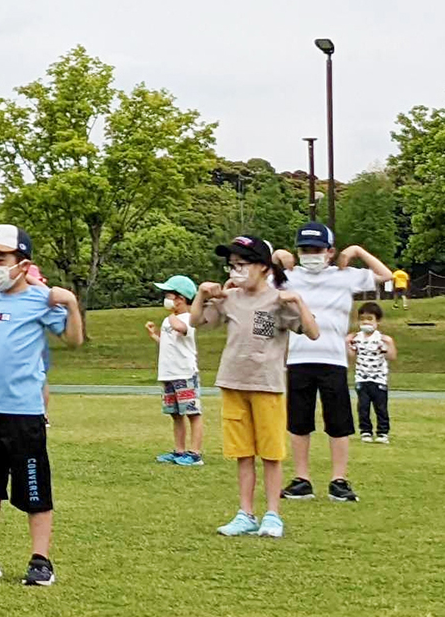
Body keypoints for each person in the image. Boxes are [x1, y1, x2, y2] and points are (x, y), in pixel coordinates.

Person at [0, 225, 83, 587]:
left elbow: (73, 339)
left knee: (34, 487)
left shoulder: (41, 299)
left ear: (23, 264)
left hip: (24, 411)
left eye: (1, 259)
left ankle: (41, 559)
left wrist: (70, 303)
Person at [192, 236, 317, 538]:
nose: (235, 271)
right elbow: (197, 321)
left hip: (267, 385)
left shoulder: (277, 300)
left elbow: (312, 332)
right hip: (233, 382)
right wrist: (202, 294)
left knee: (271, 453)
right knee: (243, 453)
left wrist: (298, 301)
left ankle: (273, 514)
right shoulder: (229, 298)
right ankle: (245, 513)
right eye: (232, 265)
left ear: (262, 267)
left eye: (242, 265)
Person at [279, 224, 389, 505]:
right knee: (299, 422)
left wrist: (358, 251)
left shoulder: (345, 277)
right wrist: (277, 257)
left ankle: (338, 480)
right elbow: (256, 285)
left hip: (333, 360)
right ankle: (302, 479)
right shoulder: (288, 277)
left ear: (329, 251)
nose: (310, 255)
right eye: (305, 249)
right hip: (299, 358)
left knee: (339, 422)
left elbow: (386, 275)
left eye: (316, 249)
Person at [146, 275, 205, 467]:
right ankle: (179, 450)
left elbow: (180, 328)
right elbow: (168, 343)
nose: (166, 298)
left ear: (181, 298)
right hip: (169, 374)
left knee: (192, 413)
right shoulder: (167, 320)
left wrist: (171, 315)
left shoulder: (189, 318)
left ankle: (195, 453)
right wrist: (154, 335)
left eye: (169, 295)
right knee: (175, 414)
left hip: (185, 373)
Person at [350, 301, 396, 445]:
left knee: (381, 407)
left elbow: (392, 357)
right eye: (362, 319)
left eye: (370, 319)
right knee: (363, 407)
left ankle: (382, 433)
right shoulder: (356, 338)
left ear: (377, 321)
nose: (365, 322)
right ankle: (365, 432)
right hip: (362, 378)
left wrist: (389, 344)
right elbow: (351, 357)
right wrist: (347, 344)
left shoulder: (381, 339)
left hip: (379, 379)